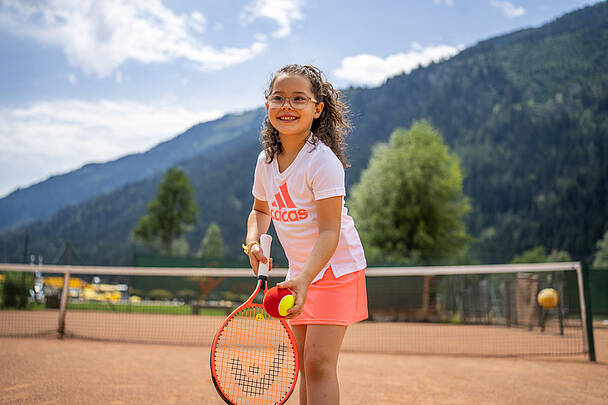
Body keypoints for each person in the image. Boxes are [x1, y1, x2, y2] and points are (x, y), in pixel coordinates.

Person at [243, 64, 368, 405]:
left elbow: (330, 232)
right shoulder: (265, 162)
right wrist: (254, 242)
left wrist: (304, 278)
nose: (287, 106)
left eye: (299, 99)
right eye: (279, 98)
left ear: (317, 109)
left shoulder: (321, 161)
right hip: (301, 272)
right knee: (303, 364)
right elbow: (260, 210)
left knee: (318, 363)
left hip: (337, 268)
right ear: (267, 105)